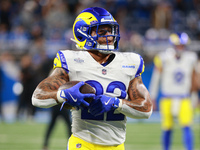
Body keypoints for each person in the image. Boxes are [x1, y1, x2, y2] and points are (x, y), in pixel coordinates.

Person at [32, 7, 153, 150]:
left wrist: (116, 103)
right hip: (82, 143)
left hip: (116, 146)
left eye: (111, 31)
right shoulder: (72, 60)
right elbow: (37, 97)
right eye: (102, 32)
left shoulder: (129, 62)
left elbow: (146, 109)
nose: (109, 36)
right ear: (83, 34)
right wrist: (63, 95)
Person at [149, 32, 198, 150]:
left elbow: (194, 77)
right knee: (167, 128)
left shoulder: (191, 58)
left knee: (187, 126)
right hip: (167, 98)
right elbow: (156, 78)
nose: (180, 47)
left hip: (184, 97)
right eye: (178, 45)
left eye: (182, 45)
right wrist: (153, 97)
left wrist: (195, 96)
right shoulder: (163, 57)